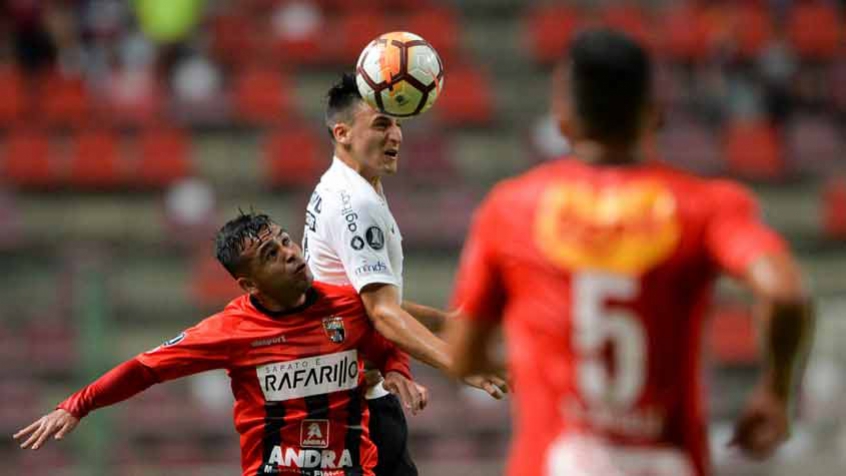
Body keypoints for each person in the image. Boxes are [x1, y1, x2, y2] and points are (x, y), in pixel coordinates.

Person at [447, 29, 814, 476]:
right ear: (652, 114)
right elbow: (785, 293)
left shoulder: (512, 209)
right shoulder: (705, 206)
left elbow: (464, 356)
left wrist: (542, 359)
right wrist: (776, 391)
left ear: (563, 119)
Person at [13, 212, 423, 476]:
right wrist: (78, 404)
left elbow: (384, 339)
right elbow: (146, 368)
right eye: (271, 254)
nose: (290, 254)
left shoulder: (348, 305)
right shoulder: (230, 330)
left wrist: (397, 369)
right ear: (249, 284)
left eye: (285, 240)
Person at [303, 73, 507, 476]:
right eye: (381, 124)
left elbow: (367, 302)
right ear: (342, 133)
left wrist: (445, 323)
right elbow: (381, 313)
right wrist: (458, 361)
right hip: (350, 407)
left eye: (397, 124)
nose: (396, 135)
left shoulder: (349, 187)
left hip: (354, 396)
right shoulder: (355, 203)